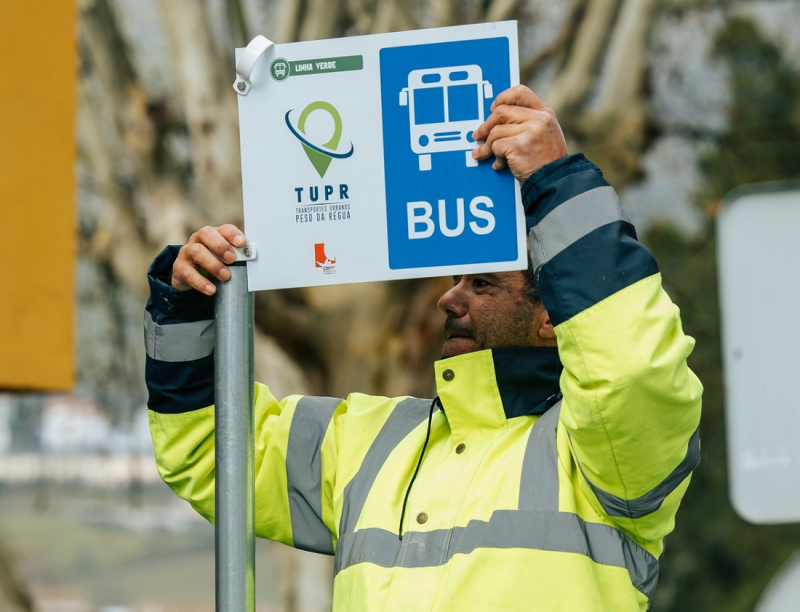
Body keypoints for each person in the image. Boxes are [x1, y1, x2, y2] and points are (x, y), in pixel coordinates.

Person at [144, 86, 702, 611]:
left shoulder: (601, 458)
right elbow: (211, 450)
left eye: (481, 283)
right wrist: (187, 303)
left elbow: (629, 368)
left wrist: (557, 180)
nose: (447, 299)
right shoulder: (365, 441)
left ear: (552, 319)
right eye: (456, 279)